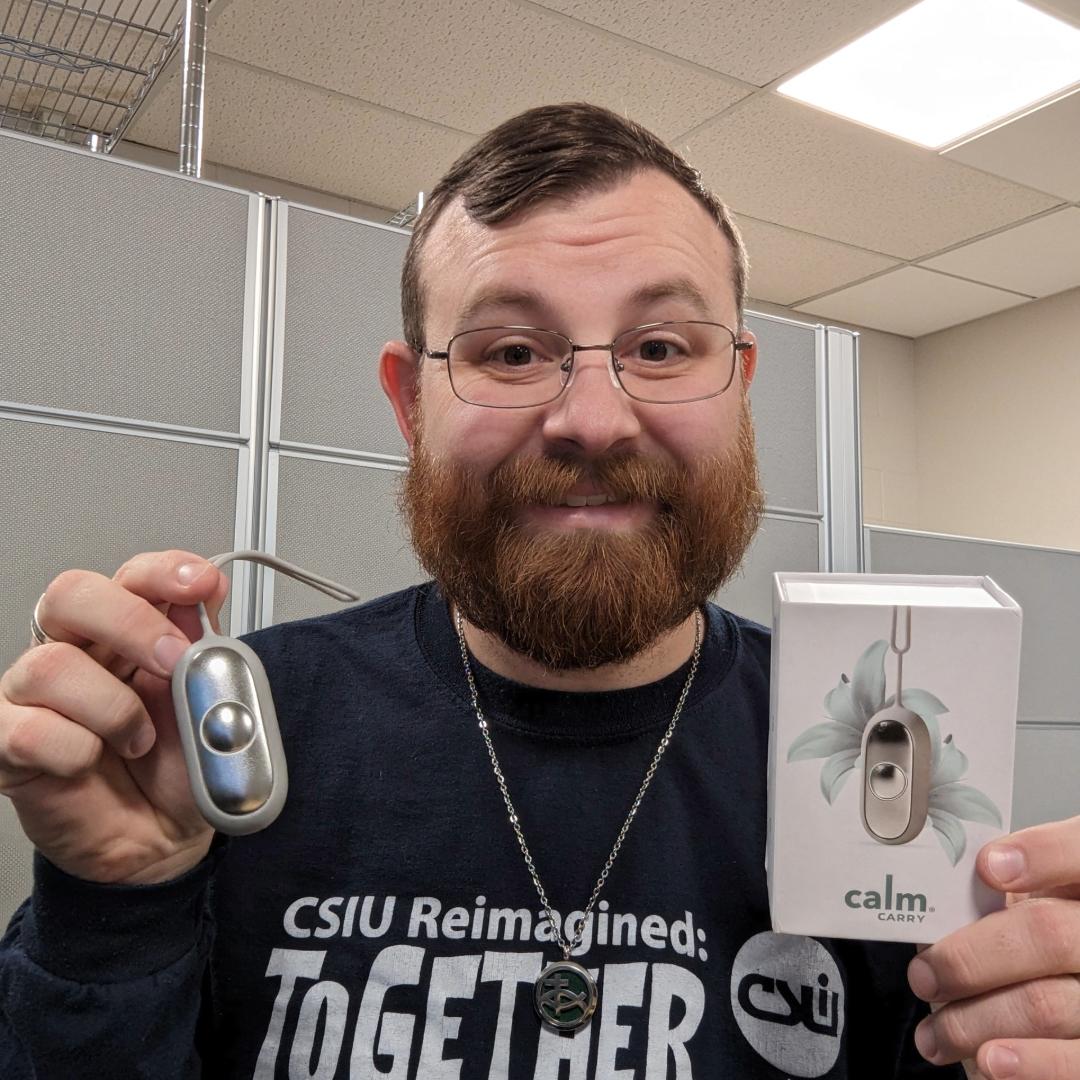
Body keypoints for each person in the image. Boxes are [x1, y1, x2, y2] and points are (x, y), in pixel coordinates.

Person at [0, 103, 1074, 1080]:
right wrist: (115, 909)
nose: (594, 421)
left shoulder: (867, 756)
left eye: (662, 347)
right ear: (410, 402)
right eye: (512, 351)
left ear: (739, 389)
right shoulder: (217, 748)